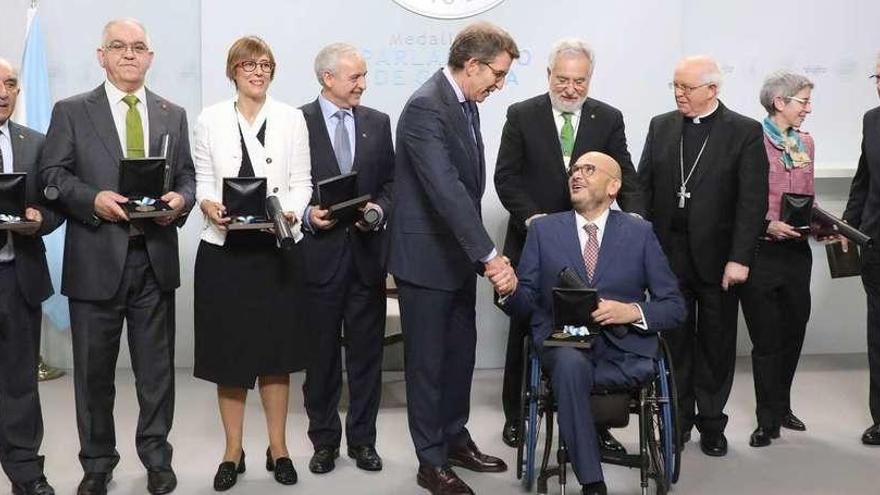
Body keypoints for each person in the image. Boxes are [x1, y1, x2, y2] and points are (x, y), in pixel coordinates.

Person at [39, 18, 195, 495]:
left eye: (139, 47)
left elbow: (187, 175)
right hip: (95, 261)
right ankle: (97, 465)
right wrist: (93, 200)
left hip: (154, 260)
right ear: (101, 56)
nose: (130, 54)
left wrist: (181, 201)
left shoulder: (173, 113)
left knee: (156, 375)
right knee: (93, 377)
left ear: (150, 57)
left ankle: (157, 459)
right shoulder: (72, 111)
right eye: (118, 46)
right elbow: (54, 174)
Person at [501, 151, 684, 495]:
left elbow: (674, 307)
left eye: (588, 169)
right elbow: (525, 305)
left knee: (577, 367)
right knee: (570, 363)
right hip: (565, 339)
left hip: (624, 345)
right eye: (574, 170)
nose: (577, 175)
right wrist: (510, 291)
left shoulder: (639, 232)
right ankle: (592, 482)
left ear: (614, 185)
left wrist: (631, 311)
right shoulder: (543, 230)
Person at [387, 21, 519, 495]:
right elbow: (446, 192)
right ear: (472, 65)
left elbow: (467, 186)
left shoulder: (465, 103)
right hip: (425, 261)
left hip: (455, 258)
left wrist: (475, 255)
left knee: (459, 357)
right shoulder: (426, 108)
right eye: (497, 75)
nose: (499, 85)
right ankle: (431, 461)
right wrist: (490, 256)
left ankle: (454, 438)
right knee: (427, 363)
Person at [494, 37, 643, 451]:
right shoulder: (521, 114)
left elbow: (625, 177)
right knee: (525, 330)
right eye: (563, 79)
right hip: (535, 242)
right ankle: (517, 418)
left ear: (589, 80)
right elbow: (506, 178)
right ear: (548, 76)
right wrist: (534, 220)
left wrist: (635, 223)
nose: (571, 88)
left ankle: (595, 425)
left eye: (579, 81)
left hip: (593, 245)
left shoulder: (608, 118)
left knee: (594, 331)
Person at [191, 36, 313, 491]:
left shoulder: (291, 119)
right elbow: (204, 179)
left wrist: (291, 210)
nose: (257, 71)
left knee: (276, 356)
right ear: (232, 71)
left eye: (265, 64)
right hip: (225, 253)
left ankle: (278, 448)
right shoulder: (209, 119)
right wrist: (208, 205)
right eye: (248, 64)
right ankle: (232, 450)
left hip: (277, 251)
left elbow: (302, 182)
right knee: (230, 357)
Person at [638, 55, 769, 457]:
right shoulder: (661, 126)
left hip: (719, 259)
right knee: (673, 341)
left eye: (687, 88)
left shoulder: (743, 132)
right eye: (675, 86)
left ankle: (712, 423)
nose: (679, 94)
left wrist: (740, 257)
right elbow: (643, 188)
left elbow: (752, 201)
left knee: (715, 343)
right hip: (668, 254)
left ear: (712, 89)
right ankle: (676, 422)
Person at [299, 43, 394, 475]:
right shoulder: (295, 122)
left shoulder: (378, 122)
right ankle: (323, 442)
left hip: (366, 260)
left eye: (364, 75)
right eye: (354, 77)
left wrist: (378, 211)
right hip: (317, 261)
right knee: (319, 360)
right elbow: (283, 185)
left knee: (366, 358)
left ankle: (363, 441)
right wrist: (305, 215)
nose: (362, 84)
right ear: (327, 79)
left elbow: (392, 185)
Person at [739, 72, 826, 447]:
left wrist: (825, 226)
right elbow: (737, 200)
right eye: (802, 101)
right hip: (761, 251)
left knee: (793, 332)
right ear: (780, 102)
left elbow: (809, 196)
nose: (808, 108)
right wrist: (766, 224)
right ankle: (766, 420)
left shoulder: (805, 141)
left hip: (796, 253)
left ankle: (782, 406)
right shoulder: (750, 141)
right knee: (766, 339)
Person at [0, 57, 63, 495]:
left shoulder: (36, 143)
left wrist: (42, 217)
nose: (4, 92)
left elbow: (56, 204)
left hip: (17, 278)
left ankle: (26, 472)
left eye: (11, 83)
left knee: (19, 382)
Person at [843, 52, 880, 446]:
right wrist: (848, 228)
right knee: (878, 335)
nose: (879, 83)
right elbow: (863, 180)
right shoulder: (872, 119)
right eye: (877, 76)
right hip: (876, 245)